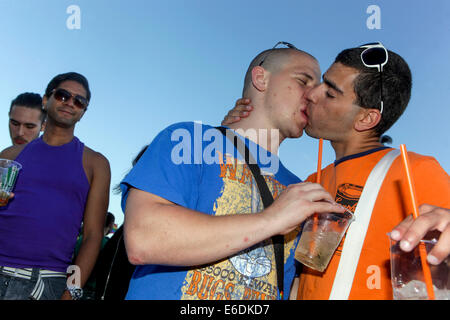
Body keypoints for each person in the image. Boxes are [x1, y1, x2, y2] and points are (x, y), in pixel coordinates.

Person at [222, 43, 450, 299]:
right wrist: (233, 139)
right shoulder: (310, 182)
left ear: (366, 119)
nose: (311, 94)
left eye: (330, 93)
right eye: (321, 82)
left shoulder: (413, 171)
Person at [120, 43, 345, 300]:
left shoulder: (298, 187)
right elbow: (145, 239)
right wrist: (271, 220)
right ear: (261, 78)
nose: (314, 95)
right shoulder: (189, 141)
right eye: (303, 80)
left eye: (318, 88)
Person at [0, 72, 111, 300]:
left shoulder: (95, 164)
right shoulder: (9, 156)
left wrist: (72, 291)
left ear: (83, 112)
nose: (70, 103)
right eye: (63, 95)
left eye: (79, 101)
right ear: (45, 100)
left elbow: (92, 235)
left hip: (44, 283)